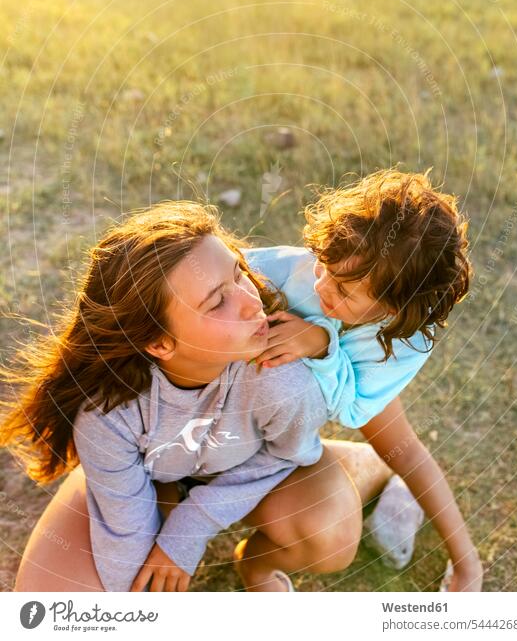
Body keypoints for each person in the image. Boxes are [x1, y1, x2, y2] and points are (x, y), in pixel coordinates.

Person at [0, 201, 370, 593]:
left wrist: (189, 529)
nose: (251, 302)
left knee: (330, 534)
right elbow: (126, 551)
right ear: (159, 343)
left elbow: (285, 454)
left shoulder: (281, 379)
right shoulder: (106, 416)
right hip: (154, 473)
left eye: (238, 274)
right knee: (55, 607)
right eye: (217, 301)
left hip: (256, 461)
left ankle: (367, 464)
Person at [243, 169, 483, 592]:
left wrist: (466, 563)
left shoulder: (397, 343)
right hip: (197, 420)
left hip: (268, 447)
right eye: (325, 267)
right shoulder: (286, 272)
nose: (322, 286)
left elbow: (356, 410)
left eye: (344, 290)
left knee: (379, 470)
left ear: (395, 308)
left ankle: (256, 566)